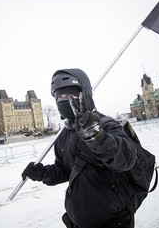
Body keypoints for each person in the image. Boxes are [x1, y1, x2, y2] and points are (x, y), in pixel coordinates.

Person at [22, 68, 138, 228]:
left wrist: (96, 136)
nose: (63, 100)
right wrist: (44, 173)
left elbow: (126, 159)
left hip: (113, 220)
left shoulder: (104, 124)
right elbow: (65, 169)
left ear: (84, 95)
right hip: (78, 221)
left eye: (70, 95)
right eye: (59, 96)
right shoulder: (64, 134)